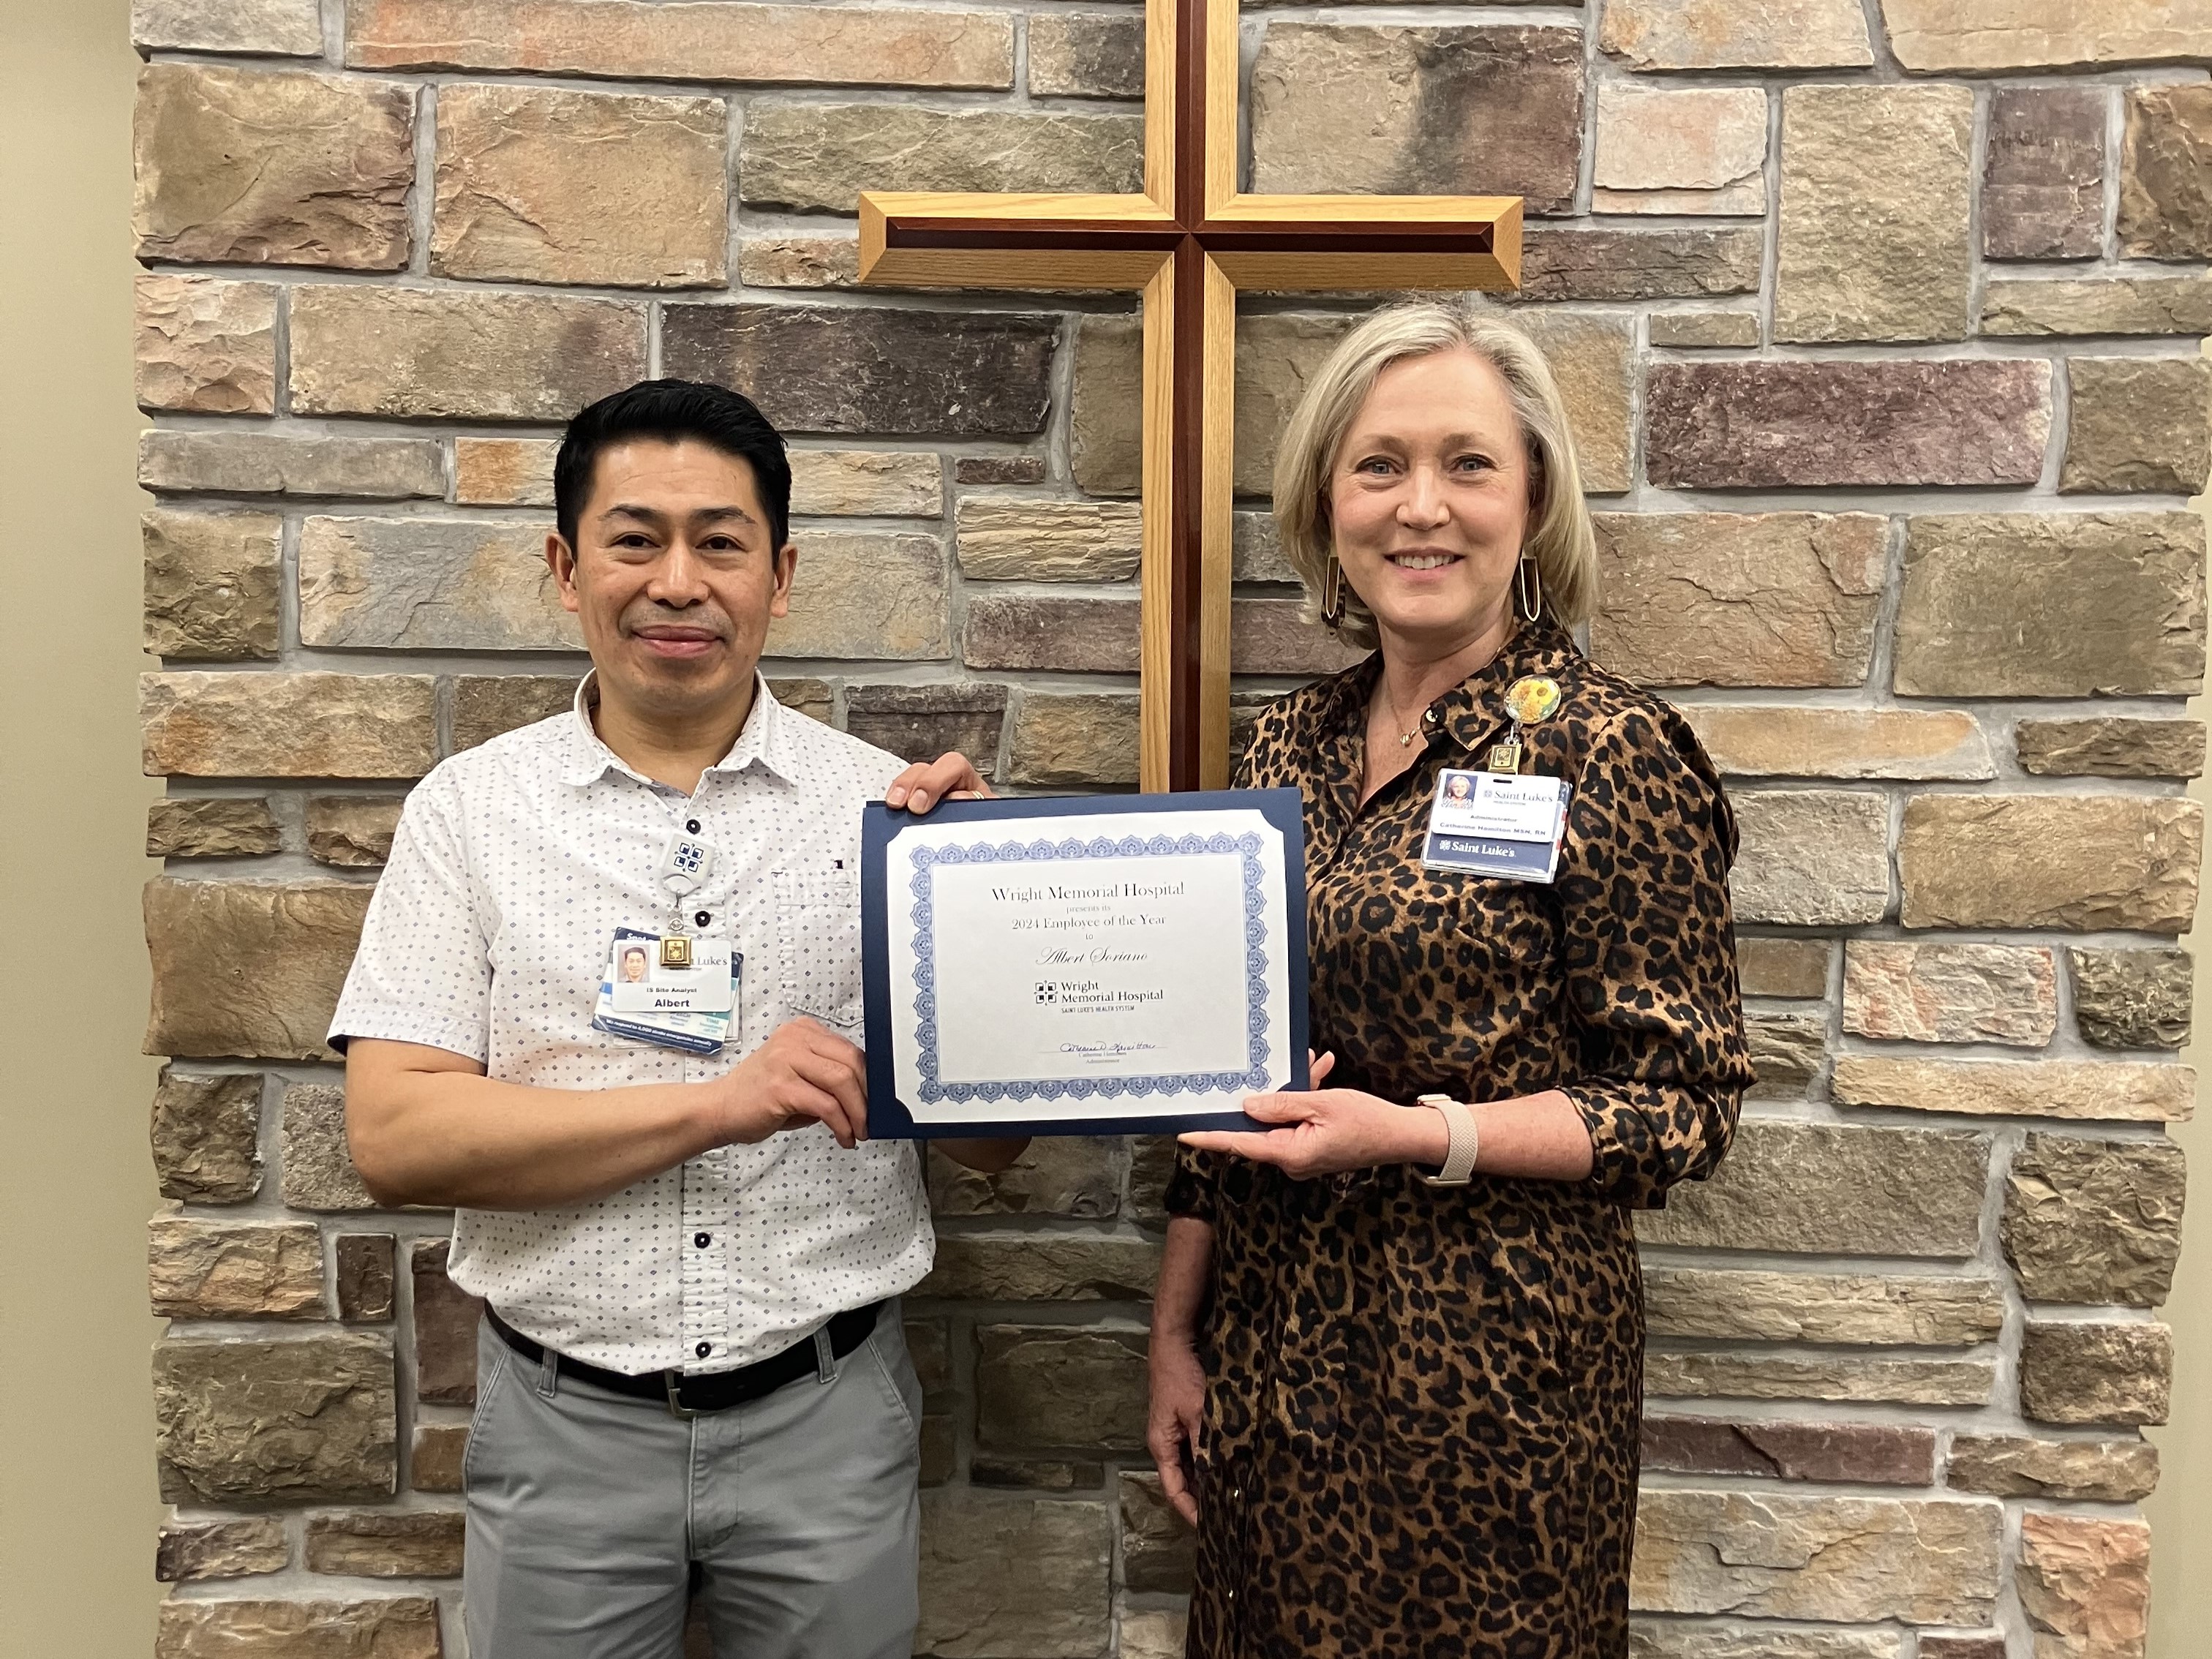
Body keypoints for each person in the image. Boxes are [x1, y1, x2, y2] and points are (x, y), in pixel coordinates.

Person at [332, 379, 1005, 1659]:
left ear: (780, 576)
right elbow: (396, 1138)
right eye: (635, 540)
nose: (678, 583)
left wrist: (984, 914)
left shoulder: (892, 816)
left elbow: (993, 1148)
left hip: (828, 1423)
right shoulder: (469, 812)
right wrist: (718, 1105)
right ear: (565, 567)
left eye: (722, 543)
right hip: (561, 1432)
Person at [1146, 301, 1753, 1658]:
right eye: (1380, 465)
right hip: (1274, 1363)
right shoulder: (1285, 743)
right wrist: (1176, 1332)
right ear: (1329, 503)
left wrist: (1421, 1135)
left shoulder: (1610, 749)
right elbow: (1222, 1064)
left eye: (1468, 463)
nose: (1421, 506)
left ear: (1532, 499)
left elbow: (1684, 1106)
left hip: (1497, 1392)